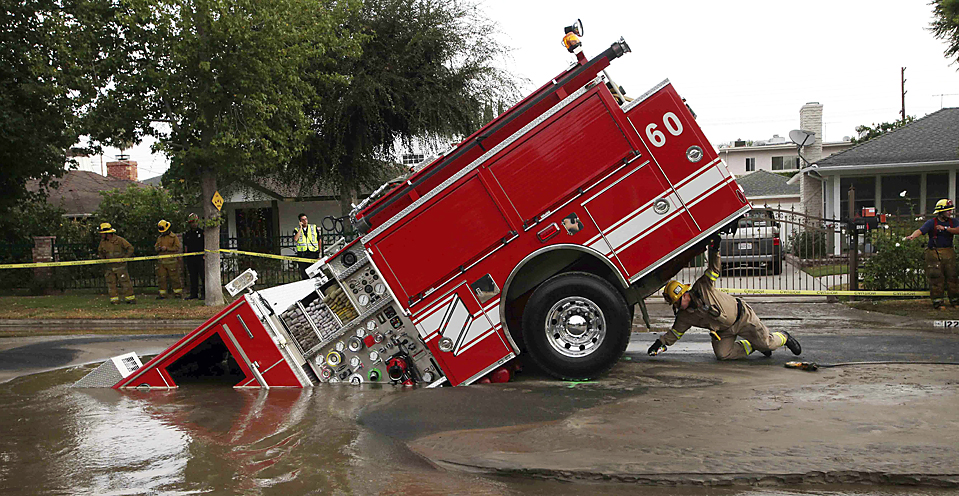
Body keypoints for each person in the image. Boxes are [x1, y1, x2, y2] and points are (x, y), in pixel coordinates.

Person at [648, 234, 801, 360]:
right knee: (723, 355)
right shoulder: (684, 317)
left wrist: (715, 250)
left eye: (676, 302)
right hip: (723, 332)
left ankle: (784, 337)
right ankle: (753, 345)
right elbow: (675, 332)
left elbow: (714, 269)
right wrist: (660, 343)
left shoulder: (702, 287)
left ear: (684, 295)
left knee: (767, 344)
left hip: (742, 318)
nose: (676, 306)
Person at [904, 198, 959, 309]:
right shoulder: (931, 223)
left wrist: (945, 229)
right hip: (934, 253)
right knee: (936, 278)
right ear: (940, 211)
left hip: (949, 252)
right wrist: (913, 236)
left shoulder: (953, 222)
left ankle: (955, 301)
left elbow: (958, 230)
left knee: (952, 276)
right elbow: (921, 230)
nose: (950, 212)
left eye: (950, 210)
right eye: (947, 210)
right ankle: (938, 302)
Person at [97, 223, 136, 304]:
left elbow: (130, 248)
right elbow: (100, 252)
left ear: (107, 233)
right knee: (111, 284)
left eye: (102, 234)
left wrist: (125, 258)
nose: (101, 235)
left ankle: (130, 299)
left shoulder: (119, 240)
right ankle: (114, 300)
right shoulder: (102, 242)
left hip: (120, 267)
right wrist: (103, 260)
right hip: (109, 268)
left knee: (125, 283)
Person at [154, 219, 183, 299]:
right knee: (161, 278)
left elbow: (177, 247)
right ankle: (162, 294)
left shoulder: (173, 237)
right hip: (162, 262)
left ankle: (177, 294)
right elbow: (156, 247)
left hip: (171, 261)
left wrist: (167, 248)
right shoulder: (159, 238)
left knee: (175, 278)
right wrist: (159, 248)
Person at [183, 213, 204, 300]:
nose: (193, 224)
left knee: (203, 276)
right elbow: (186, 246)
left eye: (195, 222)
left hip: (200, 258)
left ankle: (204, 294)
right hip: (191, 258)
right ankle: (193, 294)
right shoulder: (187, 234)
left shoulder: (202, 232)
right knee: (193, 277)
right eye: (192, 222)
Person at [293, 213, 320, 279]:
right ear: (300, 222)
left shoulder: (313, 227)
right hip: (302, 255)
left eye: (306, 219)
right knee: (304, 274)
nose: (305, 221)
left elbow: (319, 239)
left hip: (313, 253)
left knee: (315, 272)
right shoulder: (296, 229)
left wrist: (320, 252)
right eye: (303, 220)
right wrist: (300, 228)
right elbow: (296, 239)